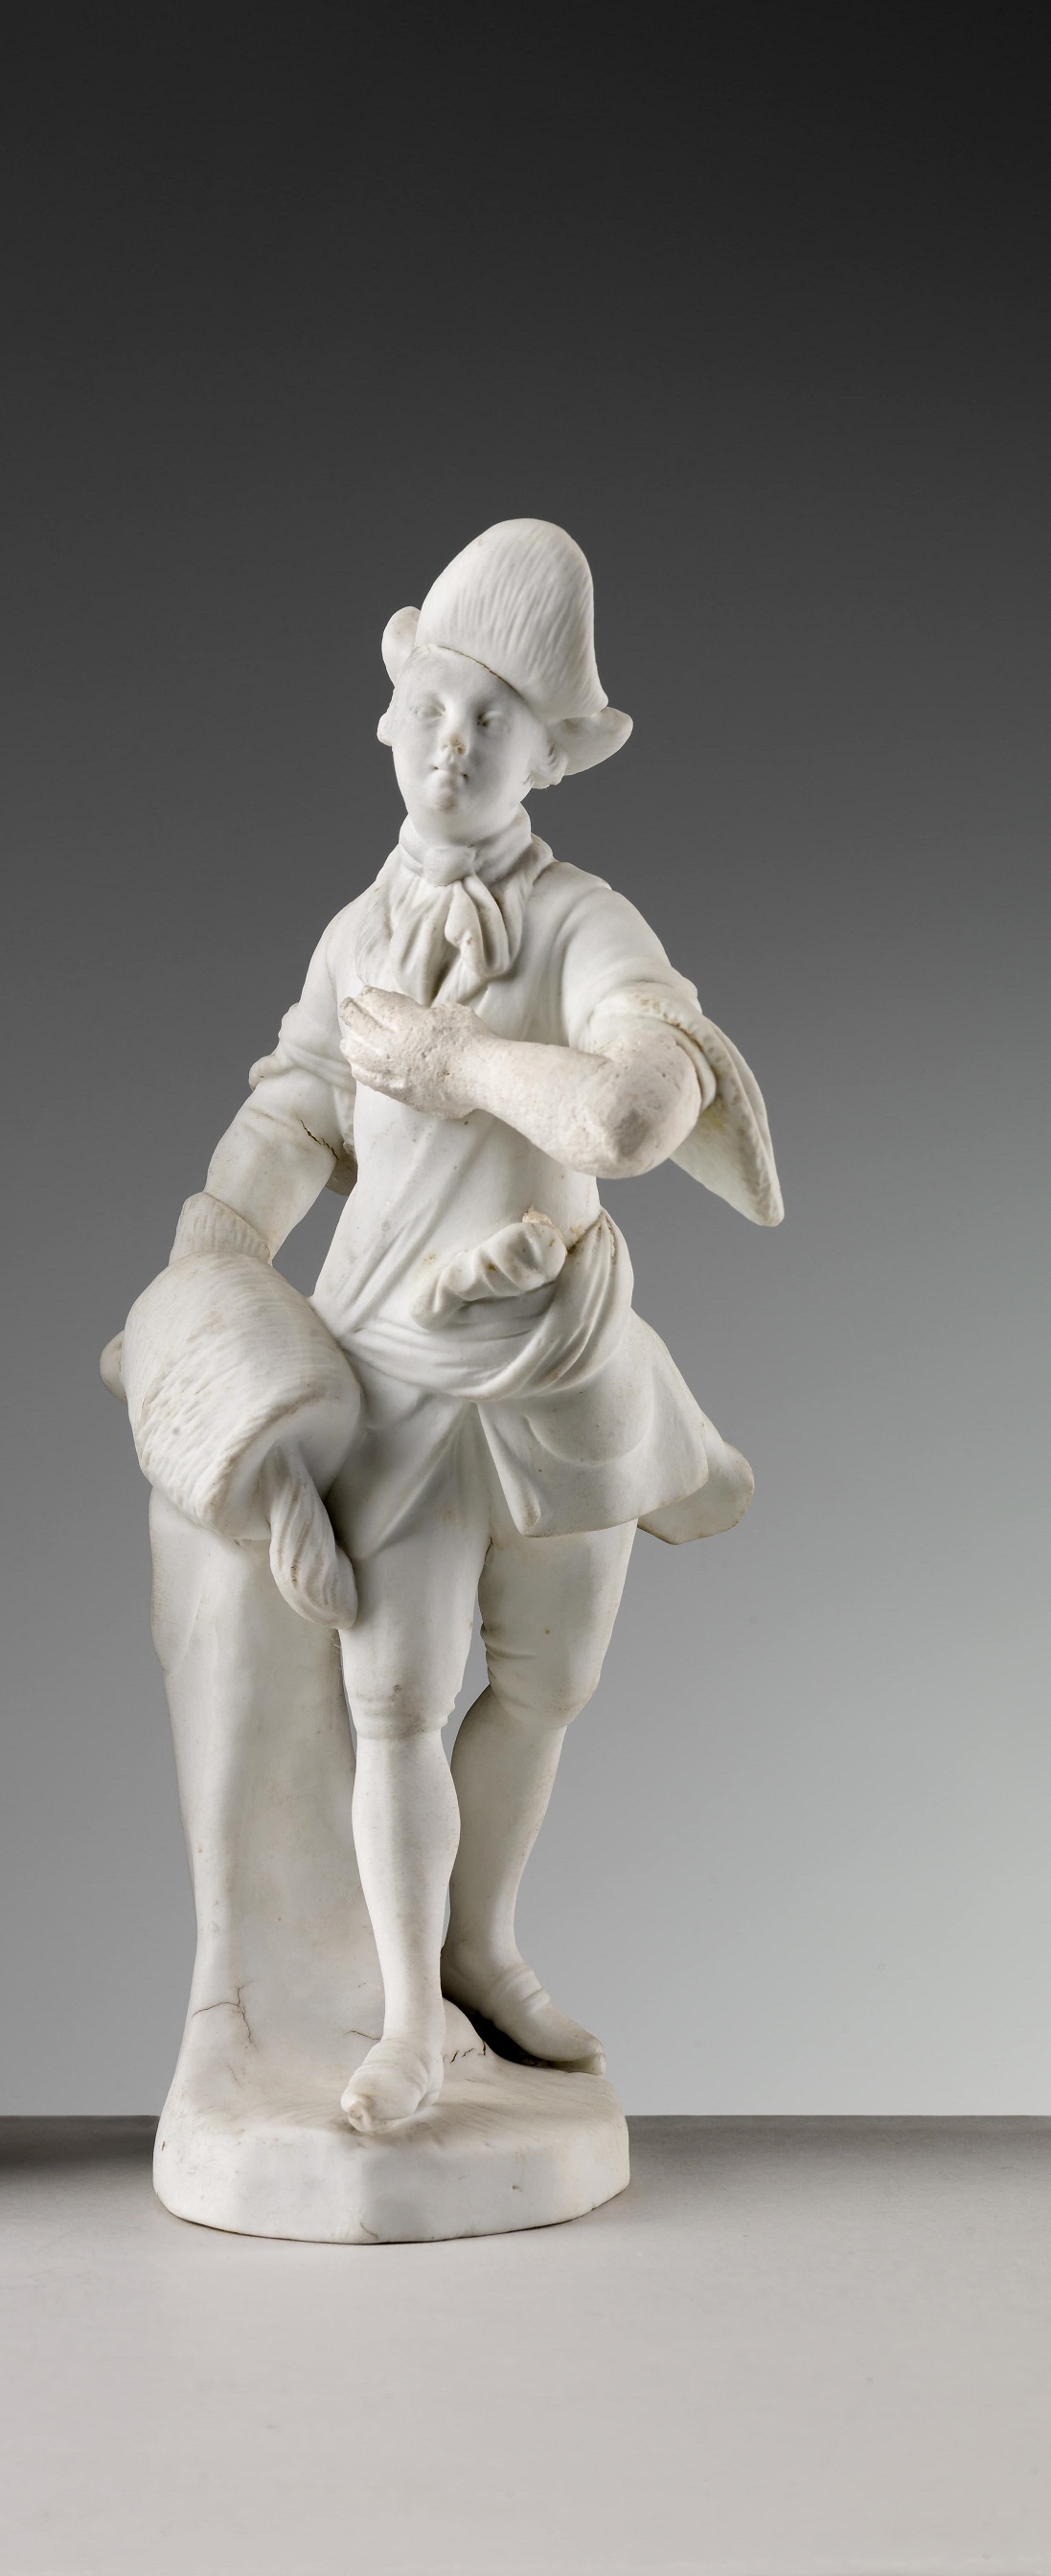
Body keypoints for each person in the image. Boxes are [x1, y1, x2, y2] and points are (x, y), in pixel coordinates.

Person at [169, 518, 779, 2133]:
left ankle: (474, 1947)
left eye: (494, 716)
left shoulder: (583, 922)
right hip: (393, 1359)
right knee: (392, 1699)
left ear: (550, 754)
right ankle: (395, 2020)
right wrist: (214, 1246)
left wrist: (449, 1064)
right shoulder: (351, 933)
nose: (454, 739)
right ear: (387, 709)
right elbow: (297, 1105)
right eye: (436, 701)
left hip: (563, 1362)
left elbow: (633, 1114)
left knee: (546, 1682)